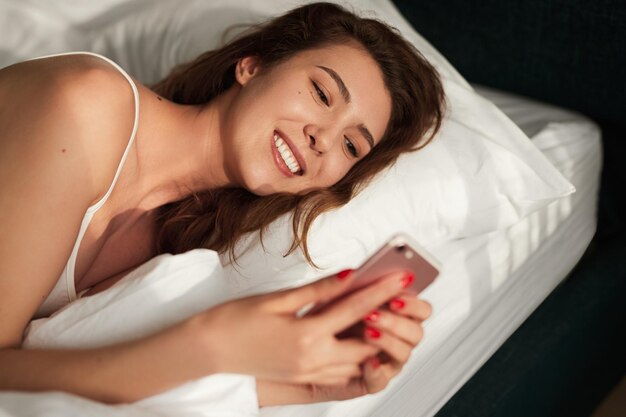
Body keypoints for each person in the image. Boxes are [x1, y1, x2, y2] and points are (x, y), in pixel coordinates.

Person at [0, 1, 445, 407]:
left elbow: (78, 377)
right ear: (252, 65)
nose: (323, 139)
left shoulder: (175, 254)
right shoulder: (86, 104)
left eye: (351, 145)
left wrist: (304, 388)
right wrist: (206, 346)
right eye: (322, 94)